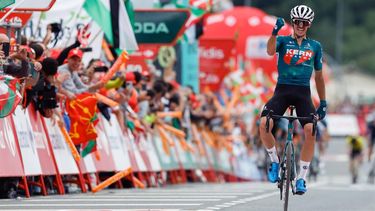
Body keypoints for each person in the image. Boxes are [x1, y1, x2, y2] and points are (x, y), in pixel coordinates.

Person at [259, 5, 327, 195]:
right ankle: (274, 161)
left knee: (310, 129)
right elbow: (270, 51)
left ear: (309, 25)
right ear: (293, 23)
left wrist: (322, 102)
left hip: (303, 92)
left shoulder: (315, 46)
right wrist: (274, 32)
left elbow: (319, 78)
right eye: (297, 22)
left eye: (304, 23)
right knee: (264, 123)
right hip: (282, 90)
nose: (300, 25)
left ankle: (302, 179)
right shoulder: (282, 41)